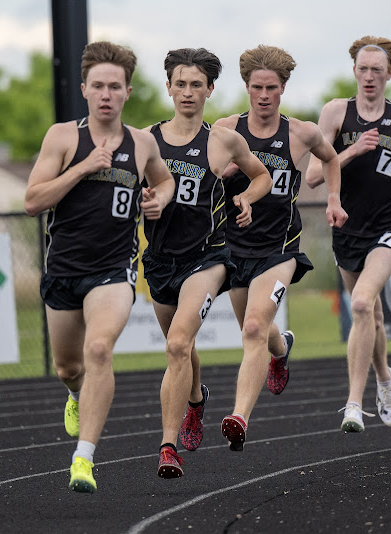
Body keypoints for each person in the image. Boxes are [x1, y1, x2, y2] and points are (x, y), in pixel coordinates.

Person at [24, 41, 175, 493]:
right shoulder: (64, 137)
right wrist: (83, 168)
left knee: (100, 351)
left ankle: (83, 459)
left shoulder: (142, 142)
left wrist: (157, 199)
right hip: (64, 270)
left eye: (115, 86)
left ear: (127, 92)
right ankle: (75, 395)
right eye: (98, 86)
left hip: (114, 269)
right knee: (68, 367)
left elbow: (164, 180)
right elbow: (33, 201)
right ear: (85, 91)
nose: (106, 94)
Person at [142, 47, 271, 478]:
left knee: (177, 344)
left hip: (208, 259)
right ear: (168, 87)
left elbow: (262, 176)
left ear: (210, 90)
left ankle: (167, 447)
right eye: (180, 84)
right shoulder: (146, 140)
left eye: (196, 84)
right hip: (160, 261)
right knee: (184, 347)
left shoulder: (223, 140)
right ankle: (196, 399)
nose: (187, 92)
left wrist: (247, 199)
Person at [307, 36, 391, 433]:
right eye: (363, 69)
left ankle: (354, 404)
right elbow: (315, 176)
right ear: (354, 71)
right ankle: (386, 378)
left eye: (377, 70)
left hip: (388, 230)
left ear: (390, 74)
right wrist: (351, 152)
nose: (369, 76)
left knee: (364, 305)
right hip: (346, 229)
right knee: (375, 316)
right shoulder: (335, 112)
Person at [214, 45, 348, 451]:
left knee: (253, 327)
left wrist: (334, 199)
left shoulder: (302, 132)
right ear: (247, 88)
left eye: (272, 87)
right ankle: (282, 349)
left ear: (283, 87)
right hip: (234, 247)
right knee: (255, 330)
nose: (264, 95)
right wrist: (228, 172)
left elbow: (331, 159)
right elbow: (208, 175)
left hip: (280, 248)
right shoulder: (225, 129)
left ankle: (239, 417)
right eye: (257, 87)